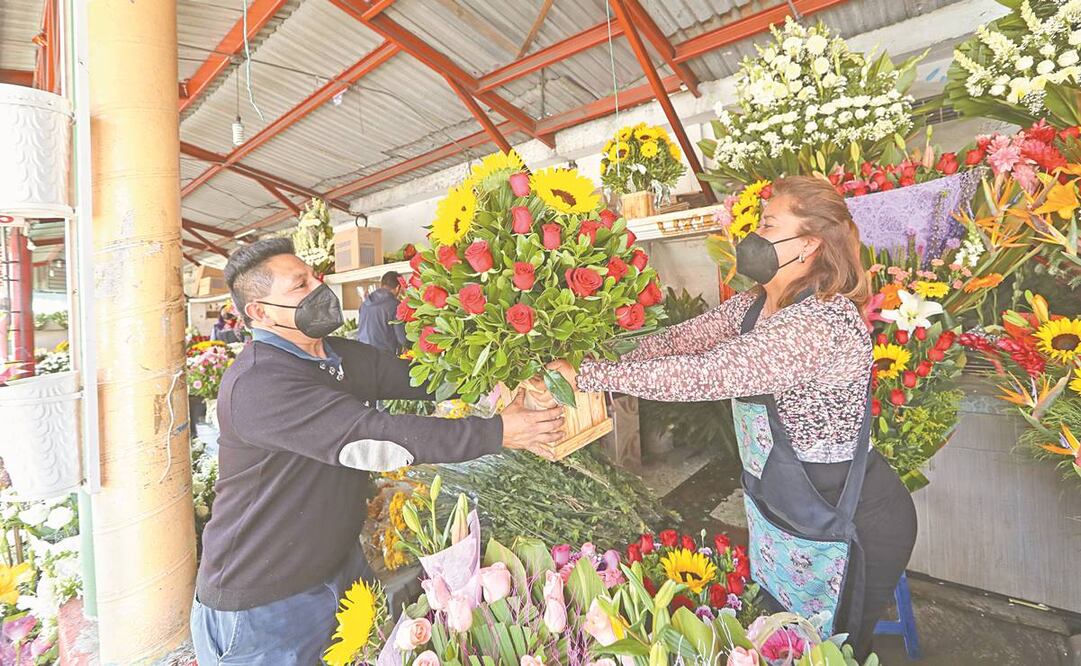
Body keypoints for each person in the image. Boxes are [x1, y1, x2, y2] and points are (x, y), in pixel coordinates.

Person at [544, 176, 916, 659]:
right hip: (786, 511)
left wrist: (591, 376)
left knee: (832, 651)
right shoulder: (755, 304)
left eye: (767, 225)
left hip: (851, 522)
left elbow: (708, 374)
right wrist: (599, 356)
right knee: (786, 640)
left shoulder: (821, 322)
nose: (752, 237)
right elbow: (679, 342)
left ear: (807, 245)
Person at [190, 238, 564, 665]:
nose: (319, 284)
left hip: (337, 567)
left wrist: (510, 368)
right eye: (300, 284)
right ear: (260, 312)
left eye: (315, 274)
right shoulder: (258, 384)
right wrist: (499, 431)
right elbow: (375, 439)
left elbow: (422, 378)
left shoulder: (336, 355)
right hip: (265, 604)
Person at [355, 271, 407, 355]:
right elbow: (402, 338)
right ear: (398, 287)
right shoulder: (395, 305)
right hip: (383, 358)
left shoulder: (364, 304)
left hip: (363, 354)